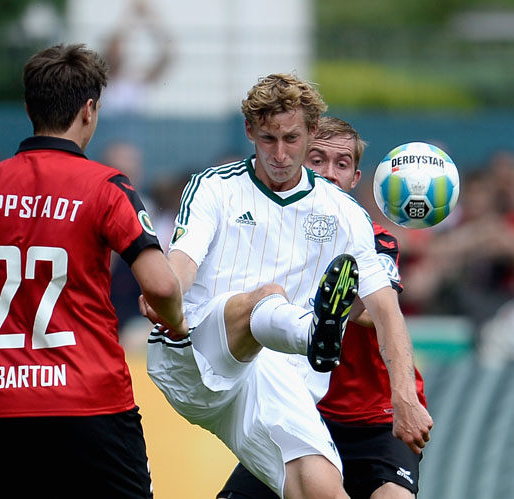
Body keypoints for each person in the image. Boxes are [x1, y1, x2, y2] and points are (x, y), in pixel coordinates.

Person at [0, 43, 187, 498]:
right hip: (94, 408)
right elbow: (162, 285)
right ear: (89, 110)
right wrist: (176, 321)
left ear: (29, 107)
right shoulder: (107, 188)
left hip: (8, 412)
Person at [144, 74, 432, 498]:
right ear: (249, 132)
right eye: (268, 139)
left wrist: (405, 396)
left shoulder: (345, 215)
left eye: (291, 139)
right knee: (265, 298)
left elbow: (386, 312)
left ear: (311, 131)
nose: (279, 154)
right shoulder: (214, 188)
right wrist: (166, 290)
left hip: (280, 380)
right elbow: (182, 264)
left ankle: (312, 331)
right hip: (198, 355)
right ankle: (312, 331)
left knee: (322, 489)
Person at [218, 117, 430, 499]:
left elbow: (371, 312)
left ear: (354, 178)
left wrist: (405, 399)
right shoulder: (267, 239)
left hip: (375, 417)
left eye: (342, 164)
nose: (330, 174)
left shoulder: (376, 242)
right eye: (317, 161)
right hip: (300, 411)